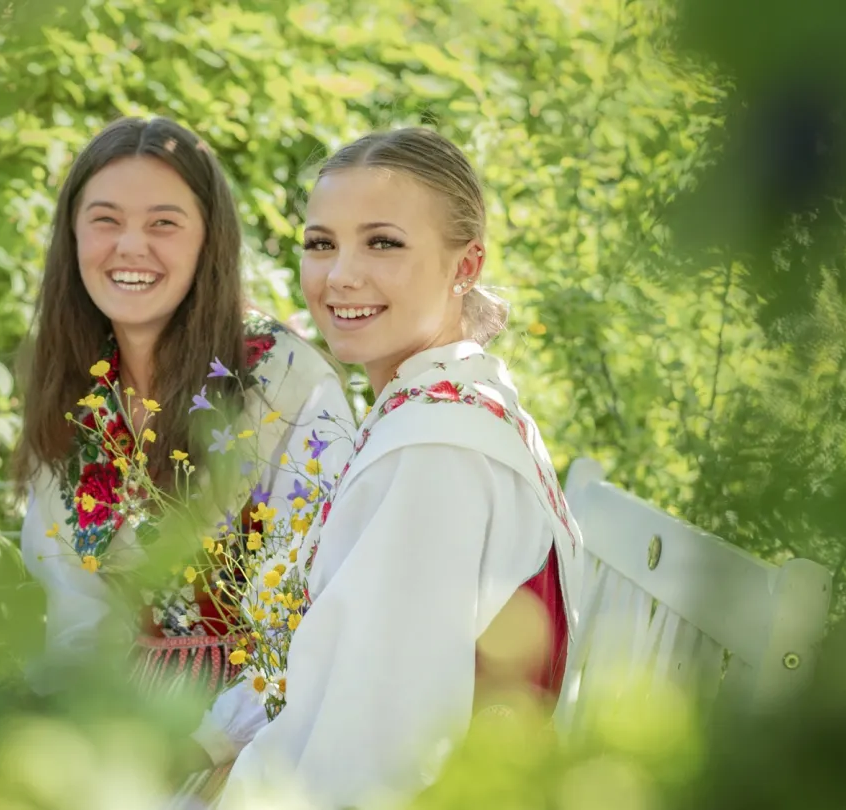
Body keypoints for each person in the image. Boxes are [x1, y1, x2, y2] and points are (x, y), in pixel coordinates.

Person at [215, 128, 585, 810]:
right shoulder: (449, 401)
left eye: (382, 242)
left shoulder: (433, 452)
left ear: (465, 264)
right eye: (321, 243)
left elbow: (370, 752)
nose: (340, 275)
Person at [13, 117, 353, 719]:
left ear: (208, 240)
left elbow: (316, 614)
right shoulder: (71, 385)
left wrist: (208, 749)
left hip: (260, 720)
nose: (130, 246)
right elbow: (77, 618)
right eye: (105, 220)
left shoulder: (290, 385)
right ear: (72, 235)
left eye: (163, 223)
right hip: (117, 716)